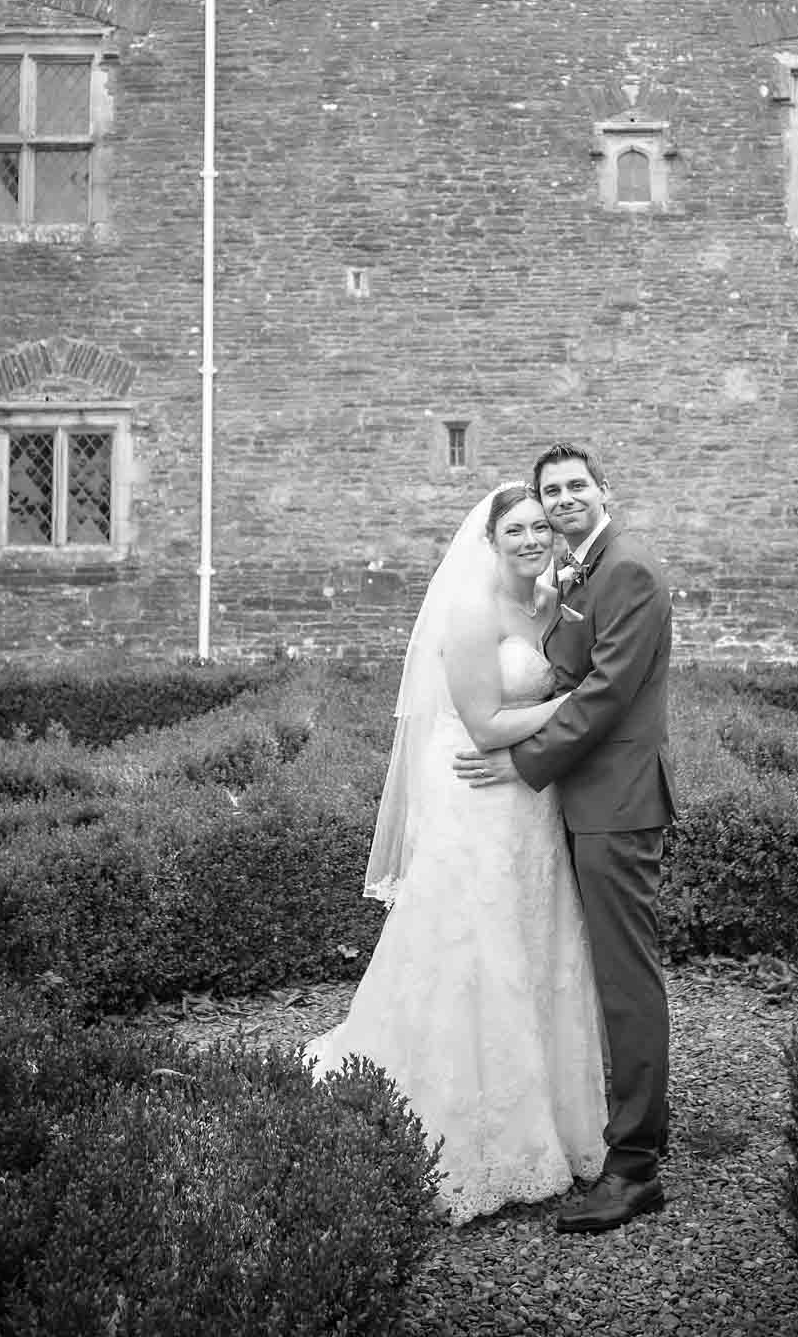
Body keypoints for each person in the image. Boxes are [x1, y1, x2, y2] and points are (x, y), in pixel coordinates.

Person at [305, 484, 607, 1225]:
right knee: (476, 943)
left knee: (535, 939)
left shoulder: (549, 604)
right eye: (516, 528)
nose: (532, 538)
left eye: (541, 526)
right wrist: (588, 705)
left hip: (531, 798)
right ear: (490, 538)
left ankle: (551, 1112)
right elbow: (483, 720)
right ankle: (466, 1124)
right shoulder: (471, 612)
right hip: (477, 795)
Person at [454, 441, 677, 1234]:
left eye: (576, 484)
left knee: (625, 980)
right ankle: (609, 1126)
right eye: (552, 490)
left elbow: (609, 692)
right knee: (590, 976)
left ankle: (634, 1168)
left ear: (603, 490)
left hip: (615, 803)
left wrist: (524, 762)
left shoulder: (629, 569)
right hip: (584, 801)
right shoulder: (581, 570)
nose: (564, 498)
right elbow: (570, 673)